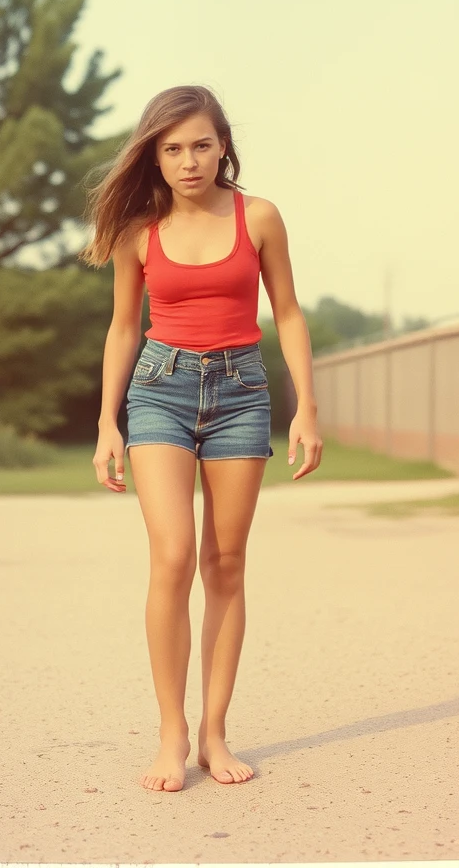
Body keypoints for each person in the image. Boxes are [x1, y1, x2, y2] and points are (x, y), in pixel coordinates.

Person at [79, 84, 323, 792]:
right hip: (159, 389)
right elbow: (125, 326)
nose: (189, 161)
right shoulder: (138, 231)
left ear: (224, 148)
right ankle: (171, 734)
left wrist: (306, 404)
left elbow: (290, 312)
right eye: (173, 148)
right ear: (154, 157)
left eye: (201, 145)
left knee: (225, 562)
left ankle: (215, 732)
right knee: (174, 554)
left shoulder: (261, 218)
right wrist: (106, 423)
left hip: (242, 393)